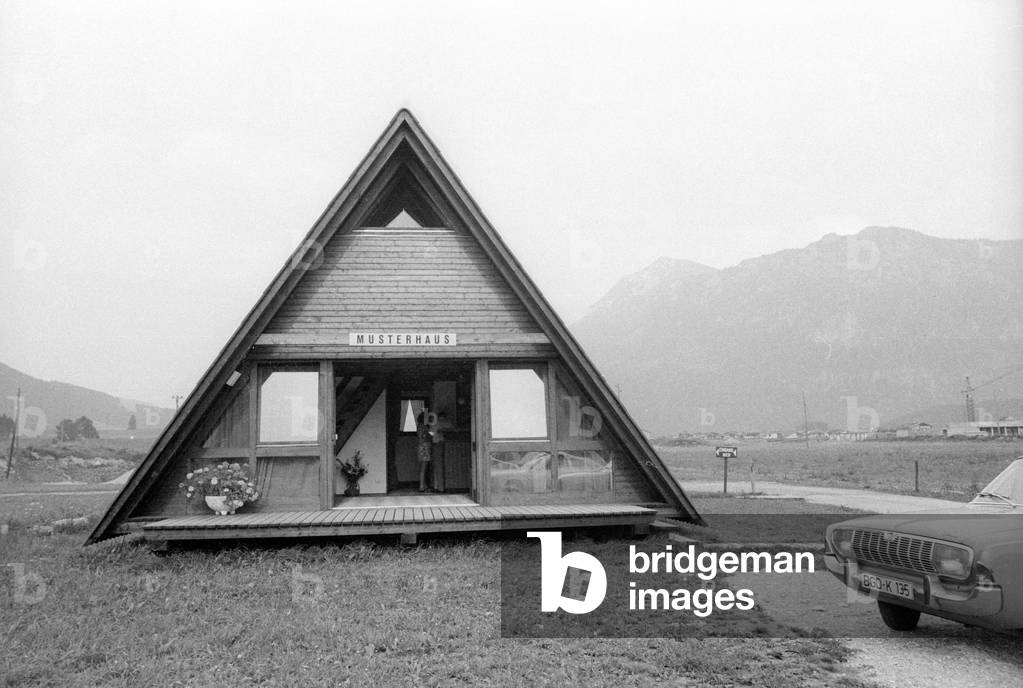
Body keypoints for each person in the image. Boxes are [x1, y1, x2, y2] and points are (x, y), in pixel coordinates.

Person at [416, 410, 436, 492]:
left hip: (422, 447)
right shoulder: (423, 426)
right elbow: (424, 436)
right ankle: (422, 486)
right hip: (424, 447)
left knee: (423, 467)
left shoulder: (420, 426)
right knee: (424, 468)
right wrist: (432, 434)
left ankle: (424, 485)